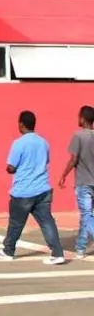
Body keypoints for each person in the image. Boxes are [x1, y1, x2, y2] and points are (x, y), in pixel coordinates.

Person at [0, 110, 65, 265]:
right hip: (43, 189)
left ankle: (8, 251)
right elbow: (46, 162)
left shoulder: (19, 143)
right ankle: (58, 253)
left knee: (16, 223)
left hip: (23, 191)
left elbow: (11, 167)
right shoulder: (44, 142)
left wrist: (14, 169)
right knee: (47, 221)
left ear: (21, 124)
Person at [59, 105, 94, 258]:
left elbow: (73, 159)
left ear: (82, 118)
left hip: (84, 182)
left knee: (86, 214)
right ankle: (80, 247)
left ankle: (80, 248)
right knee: (86, 216)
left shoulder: (78, 136)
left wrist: (63, 175)